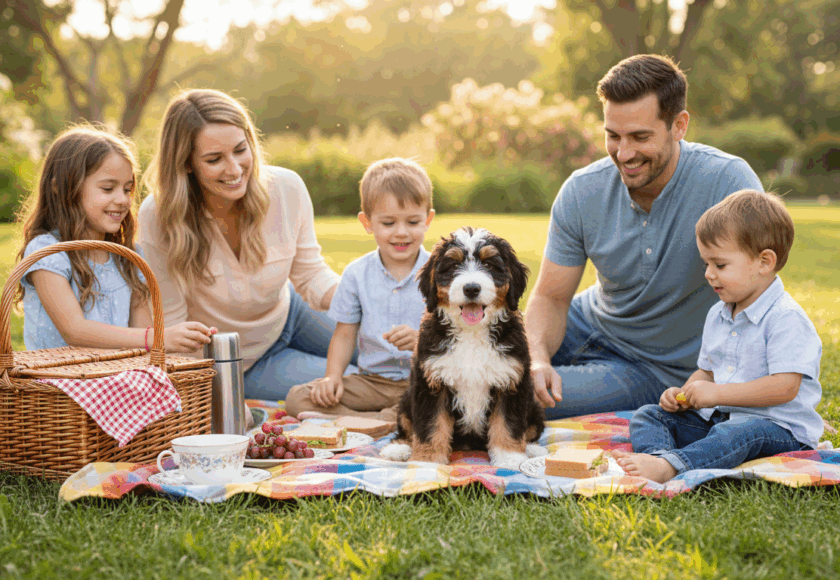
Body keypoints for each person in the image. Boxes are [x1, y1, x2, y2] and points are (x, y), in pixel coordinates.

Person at [524, 54, 764, 419]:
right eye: (613, 135)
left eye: (639, 137)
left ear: (679, 125)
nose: (624, 153)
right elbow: (551, 297)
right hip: (588, 322)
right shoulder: (582, 190)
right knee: (474, 366)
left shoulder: (728, 183)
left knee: (512, 401)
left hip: (653, 368)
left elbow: (759, 301)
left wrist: (771, 403)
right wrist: (536, 358)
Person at [138, 89, 356, 401]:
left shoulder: (286, 188)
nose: (235, 169)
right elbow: (174, 326)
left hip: (292, 311)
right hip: (246, 360)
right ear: (186, 163)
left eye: (241, 150)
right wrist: (208, 393)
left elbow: (310, 275)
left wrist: (358, 298)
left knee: (394, 358)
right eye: (214, 159)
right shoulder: (158, 217)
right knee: (358, 383)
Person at [613, 190, 822, 482]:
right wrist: (684, 395)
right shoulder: (719, 314)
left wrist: (717, 394)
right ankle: (658, 458)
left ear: (764, 261)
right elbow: (707, 372)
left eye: (720, 265)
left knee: (736, 433)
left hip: (778, 429)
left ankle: (673, 466)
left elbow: (785, 387)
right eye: (706, 264)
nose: (709, 274)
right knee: (649, 415)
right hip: (722, 419)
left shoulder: (785, 318)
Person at [16, 126, 215, 352]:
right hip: (58, 381)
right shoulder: (48, 252)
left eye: (128, 189)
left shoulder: (127, 257)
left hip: (115, 380)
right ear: (60, 188)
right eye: (108, 188)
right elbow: (74, 330)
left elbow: (143, 334)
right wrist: (158, 337)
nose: (123, 200)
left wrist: (177, 338)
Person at [285, 158, 435, 421]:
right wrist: (333, 377)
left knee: (447, 407)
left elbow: (457, 335)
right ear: (367, 223)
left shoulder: (440, 272)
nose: (401, 233)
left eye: (412, 222)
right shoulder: (356, 273)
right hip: (372, 383)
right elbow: (345, 333)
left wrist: (421, 341)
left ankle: (381, 420)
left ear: (428, 220)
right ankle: (383, 421)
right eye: (388, 223)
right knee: (298, 398)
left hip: (426, 382)